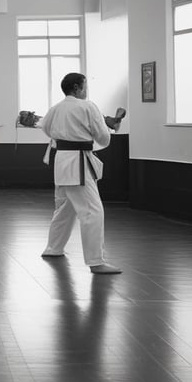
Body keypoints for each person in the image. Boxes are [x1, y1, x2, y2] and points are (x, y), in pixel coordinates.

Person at [40, 72, 121, 274]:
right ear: (77, 88)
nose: (87, 91)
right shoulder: (87, 106)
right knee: (93, 211)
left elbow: (47, 129)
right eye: (85, 86)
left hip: (61, 162)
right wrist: (110, 128)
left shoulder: (55, 108)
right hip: (77, 165)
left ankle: (53, 247)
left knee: (65, 207)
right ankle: (96, 261)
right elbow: (103, 138)